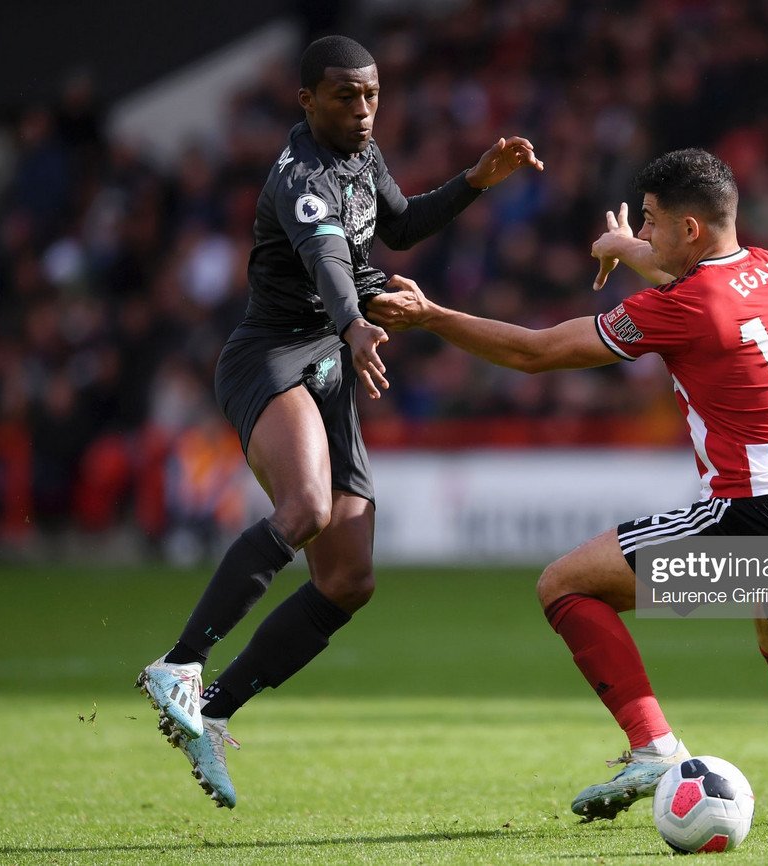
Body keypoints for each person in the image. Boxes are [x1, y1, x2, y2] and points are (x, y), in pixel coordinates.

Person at [369, 148, 768, 825]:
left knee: (564, 584)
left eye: (655, 222)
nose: (649, 234)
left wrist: (432, 317)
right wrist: (625, 245)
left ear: (690, 228)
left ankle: (653, 745)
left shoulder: (683, 306)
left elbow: (536, 353)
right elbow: (689, 273)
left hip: (758, 516)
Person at [136, 35, 543, 809]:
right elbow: (327, 258)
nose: (362, 111)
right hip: (273, 360)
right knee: (306, 508)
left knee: (349, 579)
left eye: (372, 95)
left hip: (330, 362)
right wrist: (356, 323)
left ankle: (213, 713)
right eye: (345, 97)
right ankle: (181, 664)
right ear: (306, 101)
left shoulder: (363, 156)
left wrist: (474, 182)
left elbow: (400, 225)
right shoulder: (301, 178)